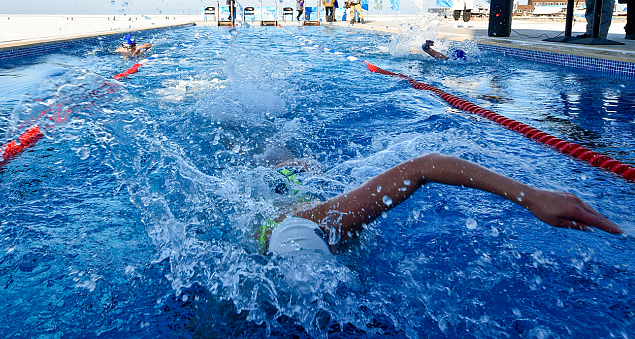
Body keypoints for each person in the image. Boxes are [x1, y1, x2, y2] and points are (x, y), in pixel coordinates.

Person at [261, 153, 621, 255]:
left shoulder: (333, 219)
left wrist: (531, 197)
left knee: (290, 162)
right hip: (282, 203)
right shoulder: (256, 247)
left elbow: (425, 166)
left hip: (297, 188)